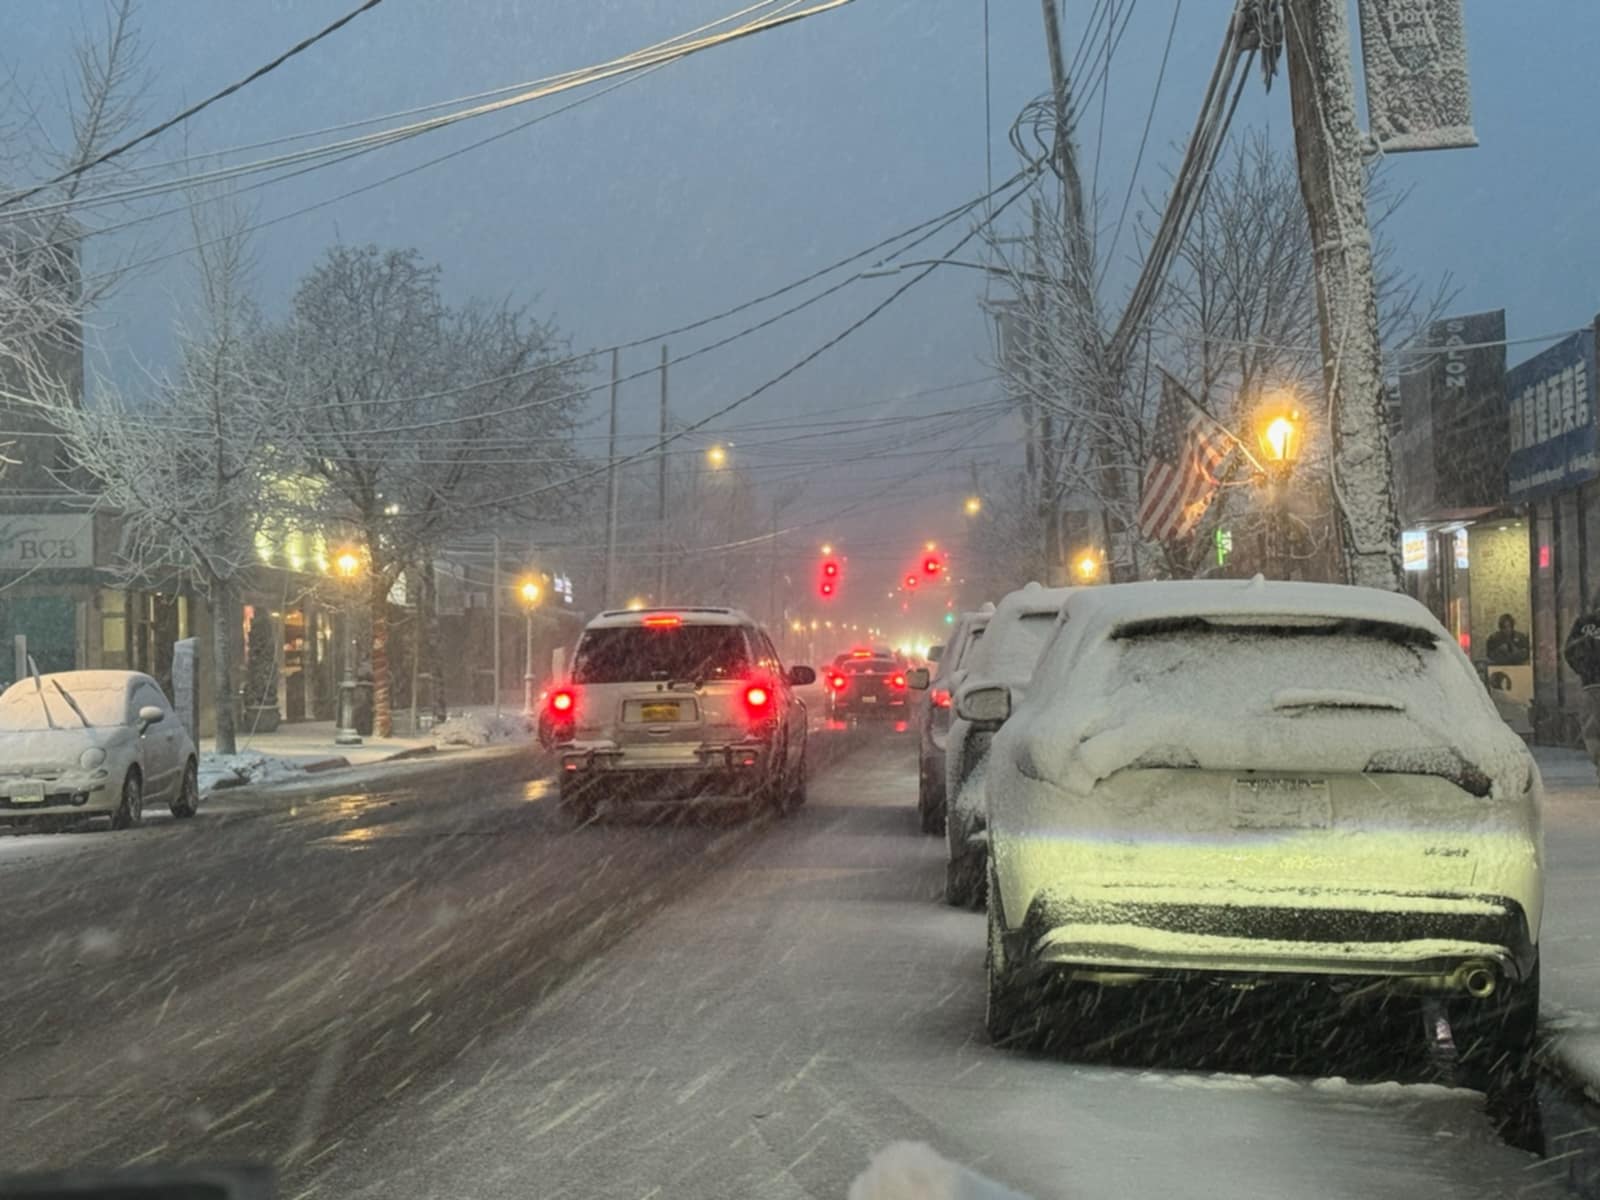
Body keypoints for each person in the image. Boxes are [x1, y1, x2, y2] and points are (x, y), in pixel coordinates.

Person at [1563, 601, 1600, 771]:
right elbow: (1569, 651)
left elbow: (1569, 650)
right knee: (1591, 729)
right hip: (1591, 684)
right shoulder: (1583, 623)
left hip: (1590, 684)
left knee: (1591, 730)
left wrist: (1584, 669)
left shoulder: (1583, 624)